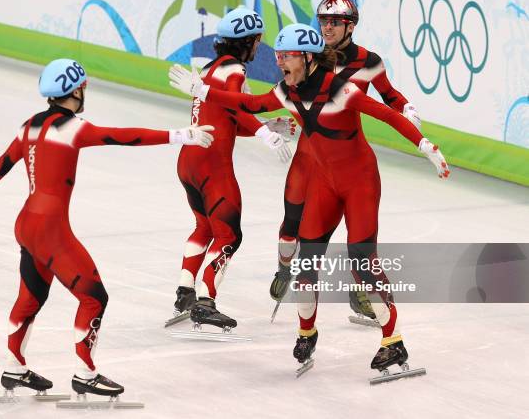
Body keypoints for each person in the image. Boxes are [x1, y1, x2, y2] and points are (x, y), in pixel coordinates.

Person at [168, 23, 449, 373]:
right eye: (278, 55)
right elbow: (251, 103)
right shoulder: (287, 90)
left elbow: (387, 114)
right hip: (324, 184)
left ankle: (394, 343)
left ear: (307, 57)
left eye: (287, 56)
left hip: (360, 183)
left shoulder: (340, 90)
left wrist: (426, 147)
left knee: (362, 261)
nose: (280, 62)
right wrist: (204, 91)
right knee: (305, 267)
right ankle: (306, 333)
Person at [0, 58, 214, 398]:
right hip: (50, 231)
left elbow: (3, 163)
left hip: (26, 224)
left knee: (31, 297)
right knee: (94, 297)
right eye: (83, 87)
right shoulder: (73, 128)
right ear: (74, 90)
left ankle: (14, 367)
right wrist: (181, 135)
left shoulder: (28, 126)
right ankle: (85, 373)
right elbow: (123, 136)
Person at [269, 0, 423, 322]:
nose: (326, 27)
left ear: (350, 26)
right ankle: (284, 267)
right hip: (308, 156)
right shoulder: (309, 56)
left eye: (334, 22)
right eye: (323, 20)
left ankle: (362, 292)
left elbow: (390, 96)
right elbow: (289, 94)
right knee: (292, 224)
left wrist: (406, 107)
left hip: (344, 159)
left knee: (360, 237)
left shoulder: (369, 61)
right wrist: (275, 125)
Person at [171, 7, 293, 330]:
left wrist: (267, 125)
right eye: (256, 41)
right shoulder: (235, 71)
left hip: (188, 161)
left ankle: (185, 290)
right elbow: (237, 109)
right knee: (230, 236)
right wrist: (266, 134)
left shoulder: (211, 69)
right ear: (246, 42)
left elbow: (225, 119)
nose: (257, 47)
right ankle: (205, 299)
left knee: (203, 227)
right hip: (213, 166)